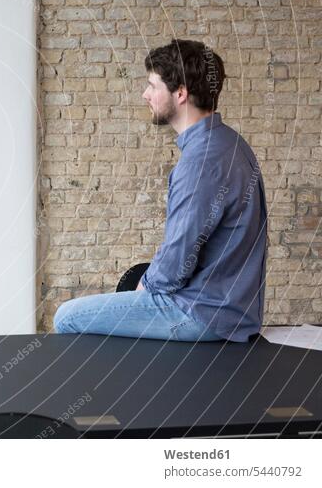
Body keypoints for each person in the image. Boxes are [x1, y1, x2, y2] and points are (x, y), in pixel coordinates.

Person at [53, 39, 267, 343]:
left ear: (180, 93)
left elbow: (178, 258)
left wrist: (145, 290)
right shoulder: (231, 143)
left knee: (68, 317)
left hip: (201, 314)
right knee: (134, 283)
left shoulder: (201, 161)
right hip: (234, 311)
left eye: (153, 86)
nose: (145, 94)